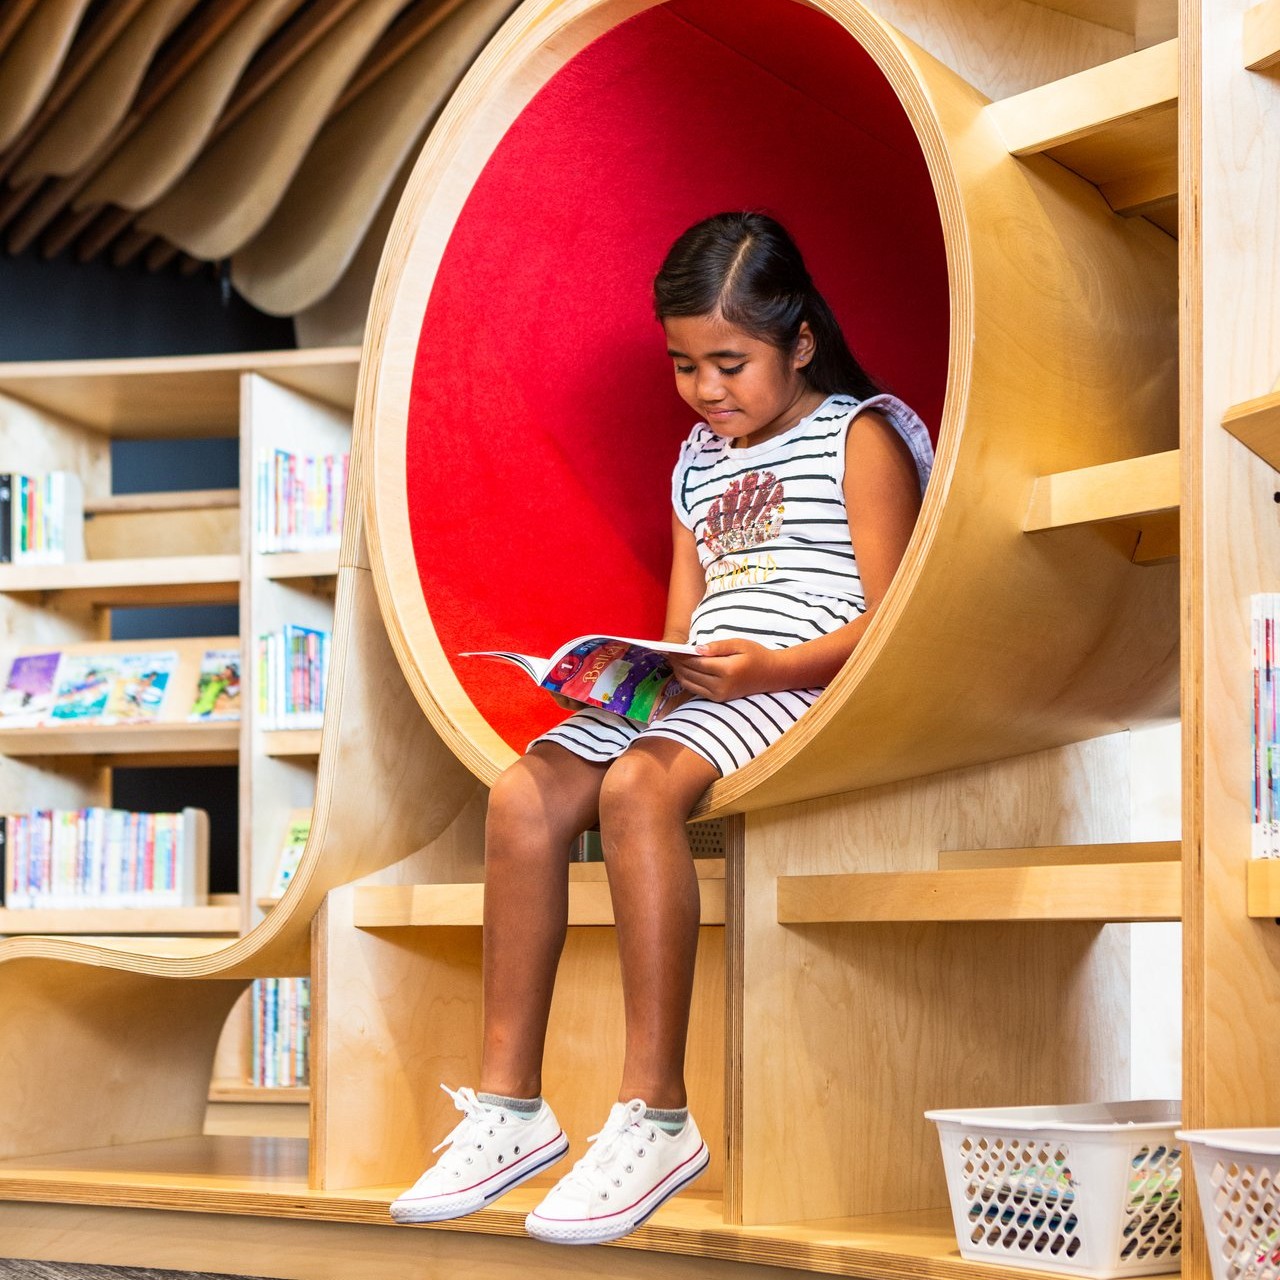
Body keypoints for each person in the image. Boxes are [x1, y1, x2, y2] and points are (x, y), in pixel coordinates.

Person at [390, 211, 933, 1245]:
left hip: (803, 679)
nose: (706, 388)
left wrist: (769, 669)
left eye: (729, 362)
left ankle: (656, 1111)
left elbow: (893, 619)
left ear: (799, 341)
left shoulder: (857, 432)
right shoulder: (696, 461)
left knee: (638, 788)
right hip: (706, 682)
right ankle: (511, 1106)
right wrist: (628, 675)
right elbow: (684, 623)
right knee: (523, 787)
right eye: (684, 365)